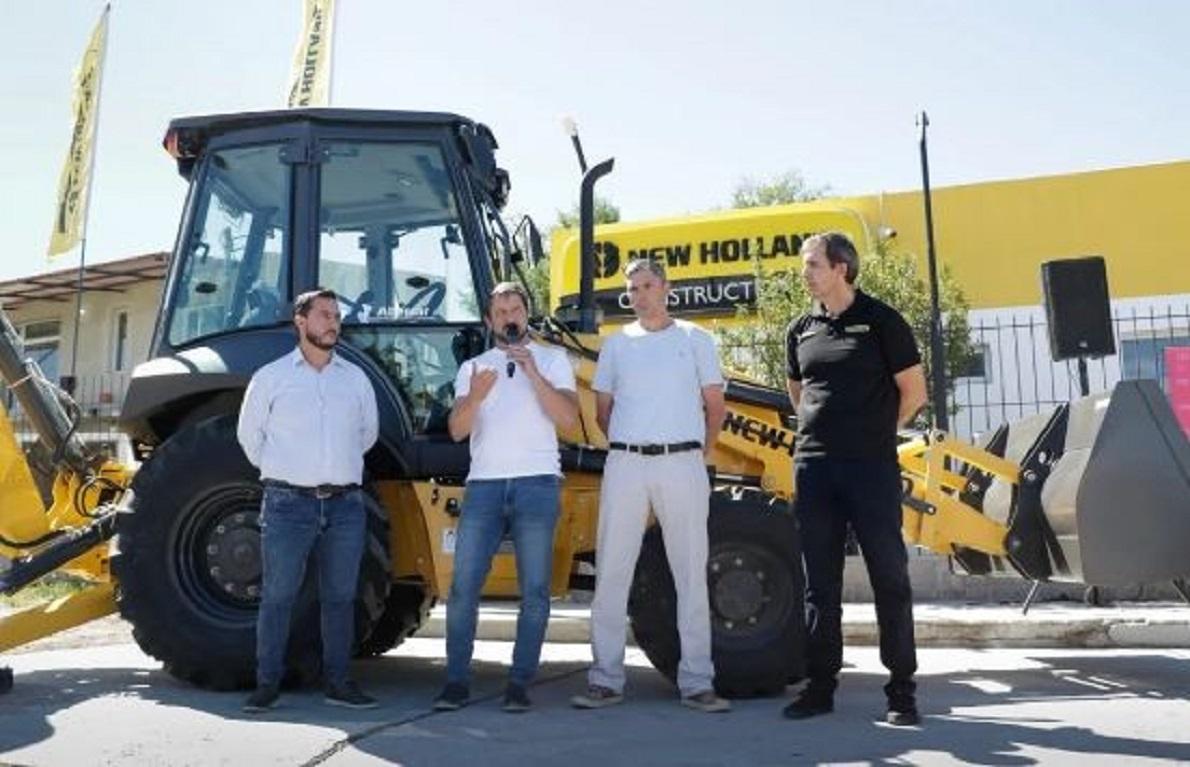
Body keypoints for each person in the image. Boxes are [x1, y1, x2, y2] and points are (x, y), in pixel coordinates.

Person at [571, 257, 730, 714]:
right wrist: (630, 446)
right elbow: (603, 412)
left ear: (665, 288)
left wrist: (696, 452)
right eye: (632, 289)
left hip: (682, 462)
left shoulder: (697, 341)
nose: (638, 296)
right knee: (613, 572)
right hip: (626, 464)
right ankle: (605, 680)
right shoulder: (617, 346)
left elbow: (715, 408)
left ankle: (698, 682)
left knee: (690, 572)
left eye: (645, 286)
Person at [782, 232, 928, 726]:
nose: (805, 272)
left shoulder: (884, 321)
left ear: (841, 267)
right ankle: (819, 688)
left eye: (813, 264)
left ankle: (902, 693)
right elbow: (798, 392)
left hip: (871, 469)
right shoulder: (800, 329)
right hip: (815, 468)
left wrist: (874, 434)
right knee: (818, 585)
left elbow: (914, 392)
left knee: (890, 577)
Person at [432, 282, 579, 714]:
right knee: (463, 589)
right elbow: (458, 431)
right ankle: (456, 681)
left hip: (537, 483)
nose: (509, 316)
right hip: (485, 486)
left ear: (526, 313)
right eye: (500, 311)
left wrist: (533, 373)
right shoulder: (473, 368)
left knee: (534, 591)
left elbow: (568, 420)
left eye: (515, 308)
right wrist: (475, 397)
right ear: (489, 321)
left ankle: (519, 684)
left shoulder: (553, 360)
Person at [237, 288, 380, 713]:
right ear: (301, 321)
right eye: (324, 315)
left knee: (340, 597)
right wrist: (288, 474)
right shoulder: (271, 378)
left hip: (345, 506)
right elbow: (250, 439)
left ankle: (339, 683)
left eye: (337, 315)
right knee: (278, 596)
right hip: (287, 505)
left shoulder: (355, 379)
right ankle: (266, 685)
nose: (333, 322)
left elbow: (366, 436)